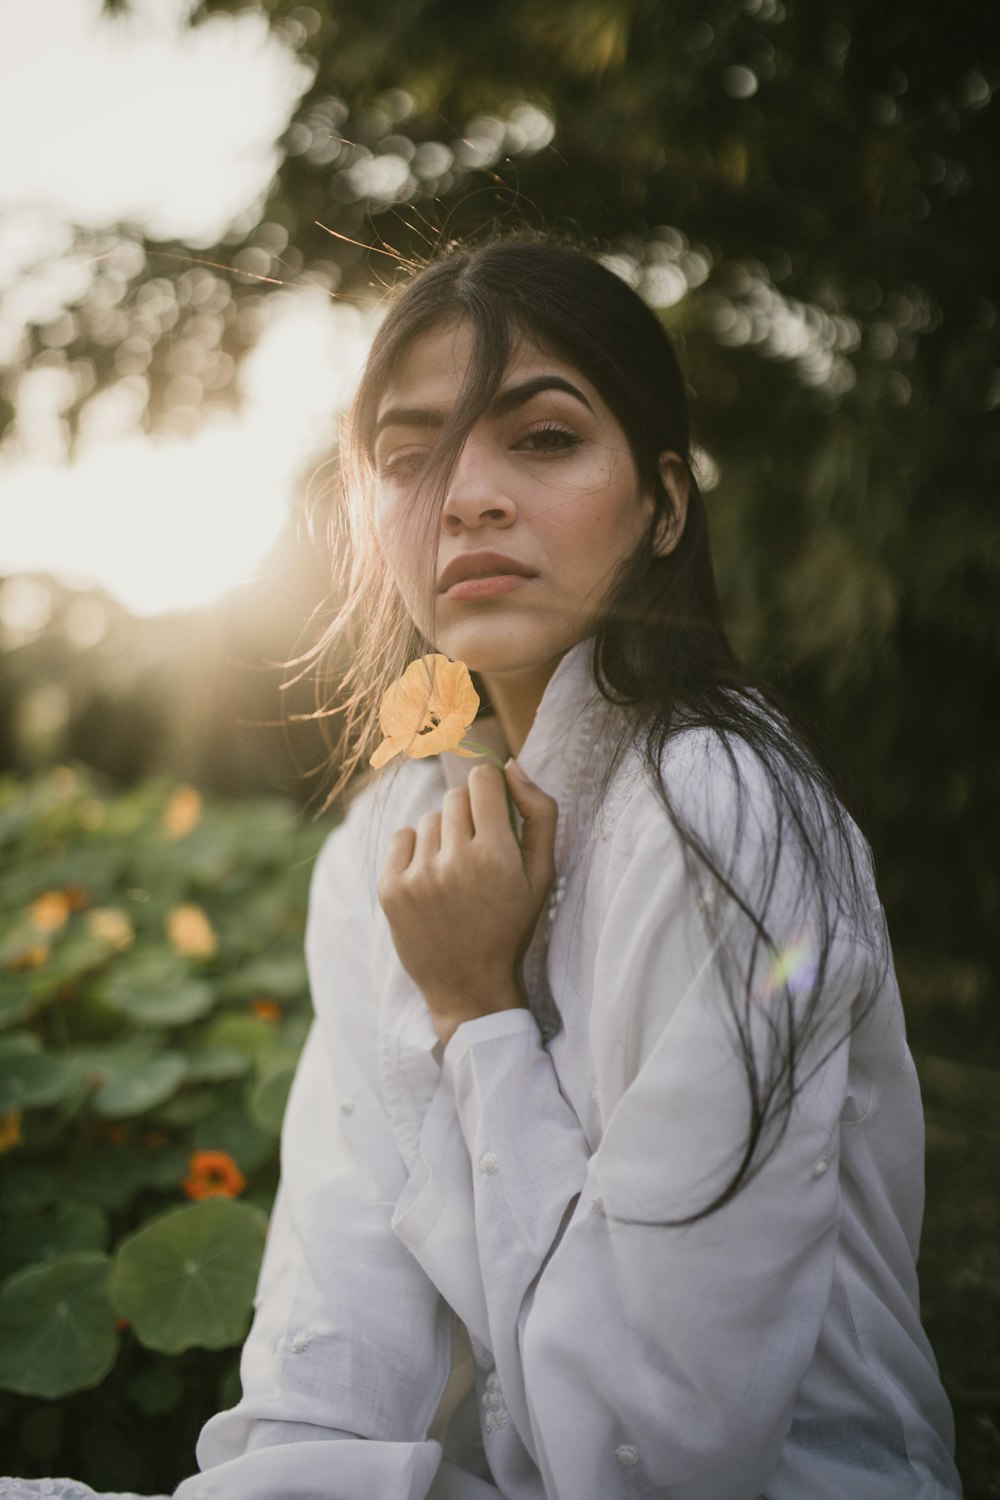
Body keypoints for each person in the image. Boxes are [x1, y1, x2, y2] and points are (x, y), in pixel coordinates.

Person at [2, 236, 962, 1500]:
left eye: (545, 439)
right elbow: (329, 1344)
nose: (465, 495)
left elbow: (660, 1451)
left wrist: (477, 1014)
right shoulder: (383, 843)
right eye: (409, 460)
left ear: (665, 502)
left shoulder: (719, 811)